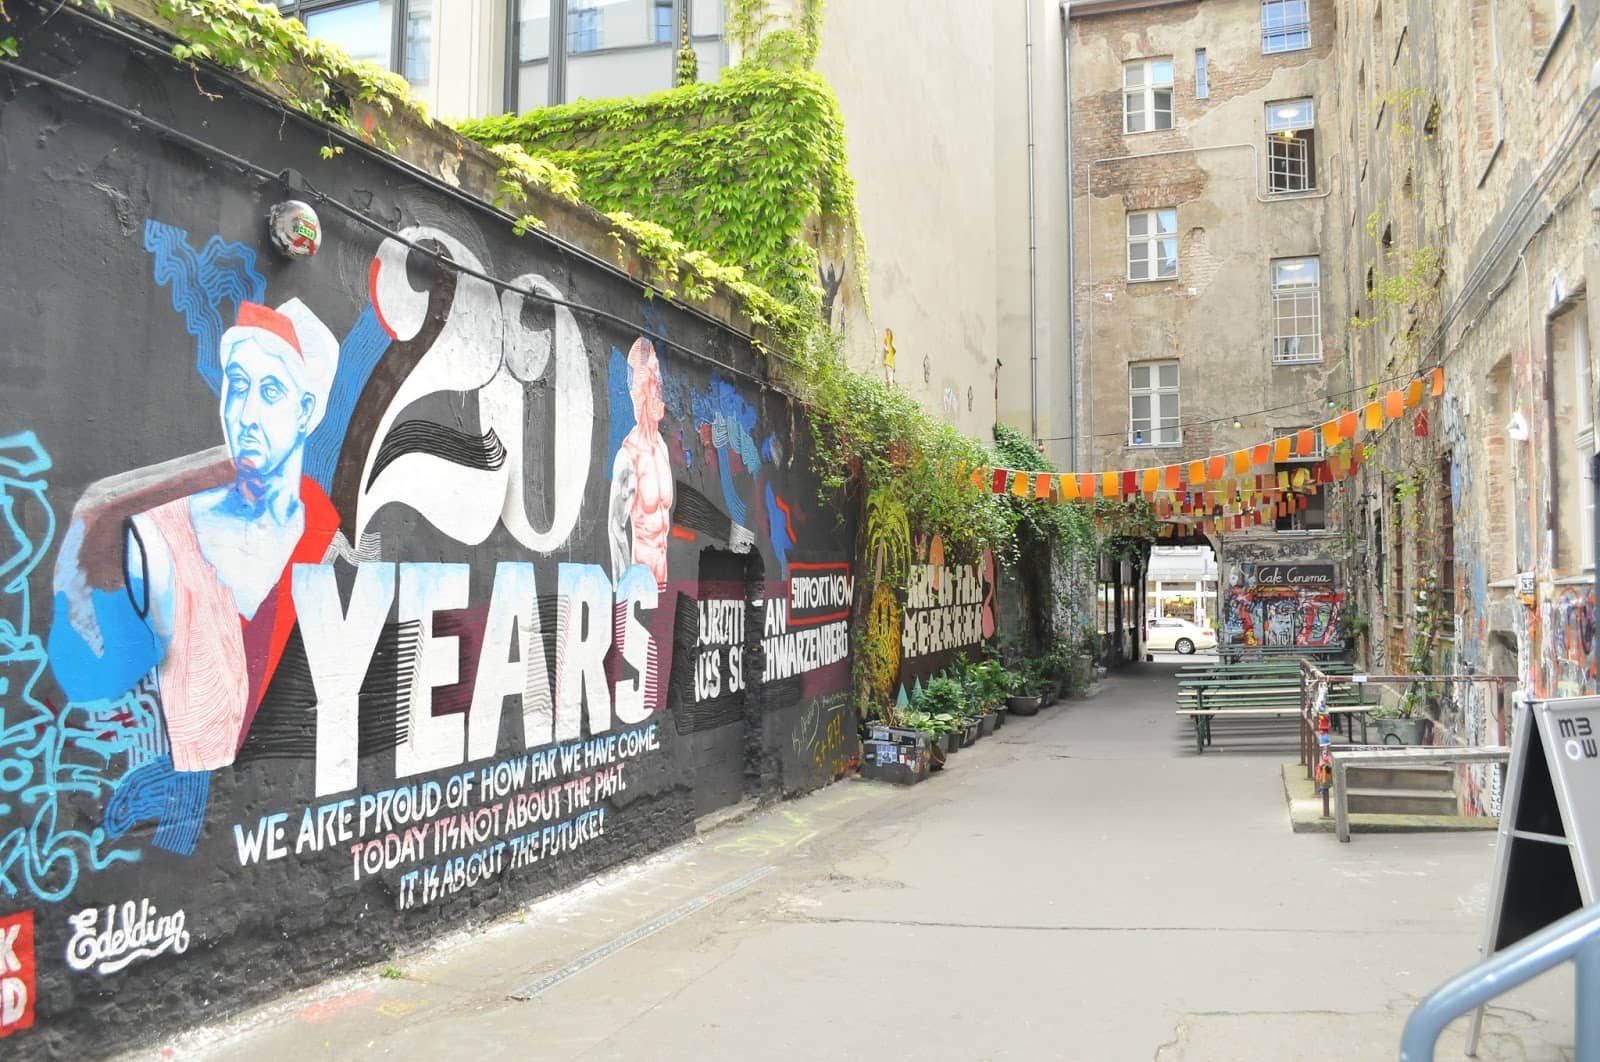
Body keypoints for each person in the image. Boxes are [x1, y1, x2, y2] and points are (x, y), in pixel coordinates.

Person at [50, 298, 341, 853]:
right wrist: (104, 511)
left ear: (307, 411)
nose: (245, 412)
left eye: (271, 391)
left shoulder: (327, 527)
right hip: (169, 842)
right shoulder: (161, 538)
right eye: (237, 384)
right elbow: (93, 680)